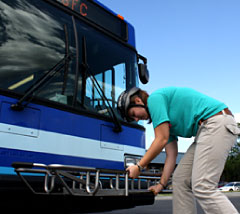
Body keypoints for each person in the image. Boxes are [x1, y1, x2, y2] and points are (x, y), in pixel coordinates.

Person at [117, 86, 240, 214]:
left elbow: (161, 139)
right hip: (205, 131)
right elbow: (171, 155)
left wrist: (139, 166)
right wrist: (161, 184)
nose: (136, 119)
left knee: (203, 185)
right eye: (132, 119)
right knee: (180, 180)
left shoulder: (154, 99)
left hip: (217, 122)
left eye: (133, 114)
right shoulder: (163, 120)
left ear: (138, 101)